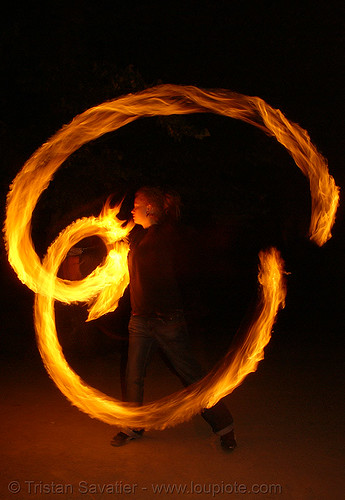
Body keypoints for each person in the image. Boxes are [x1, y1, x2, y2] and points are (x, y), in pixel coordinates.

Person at [111, 187, 236, 451]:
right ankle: (133, 426)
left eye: (136, 205)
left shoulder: (167, 235)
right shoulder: (139, 237)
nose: (131, 210)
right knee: (133, 375)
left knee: (192, 376)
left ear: (150, 210)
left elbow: (181, 259)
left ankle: (224, 427)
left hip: (168, 321)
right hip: (140, 320)